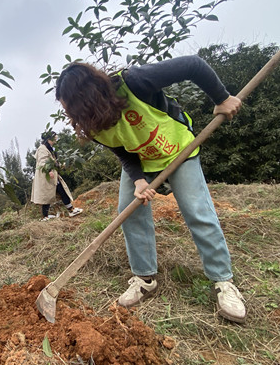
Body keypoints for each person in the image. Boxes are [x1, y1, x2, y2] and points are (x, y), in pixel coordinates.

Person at [55, 56, 246, 323]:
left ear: (87, 97)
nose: (71, 116)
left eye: (72, 108)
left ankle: (223, 281)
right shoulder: (93, 121)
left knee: (196, 211)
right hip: (142, 159)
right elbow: (123, 152)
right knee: (129, 210)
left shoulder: (134, 81)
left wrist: (222, 98)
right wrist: (138, 181)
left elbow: (193, 65)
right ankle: (145, 278)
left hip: (178, 148)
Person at [30, 130, 83, 221]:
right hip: (47, 176)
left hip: (51, 176)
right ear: (48, 139)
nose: (55, 141)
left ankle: (46, 216)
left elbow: (53, 162)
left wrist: (62, 165)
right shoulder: (42, 148)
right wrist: (49, 170)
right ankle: (70, 210)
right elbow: (43, 162)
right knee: (54, 193)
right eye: (54, 139)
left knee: (49, 195)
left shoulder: (49, 148)